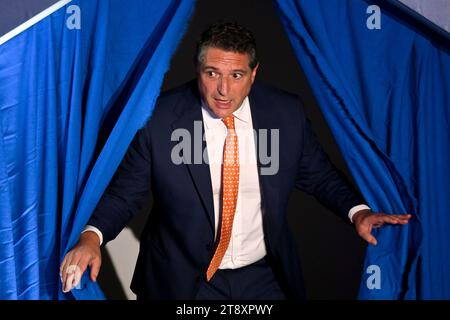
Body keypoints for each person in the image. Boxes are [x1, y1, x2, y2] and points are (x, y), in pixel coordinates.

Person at [60, 22, 411, 299]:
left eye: (236, 75)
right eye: (212, 73)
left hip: (262, 276)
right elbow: (126, 193)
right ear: (198, 70)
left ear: (253, 74)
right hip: (183, 280)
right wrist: (92, 237)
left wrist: (358, 212)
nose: (223, 90)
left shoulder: (284, 113)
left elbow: (319, 176)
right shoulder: (160, 117)